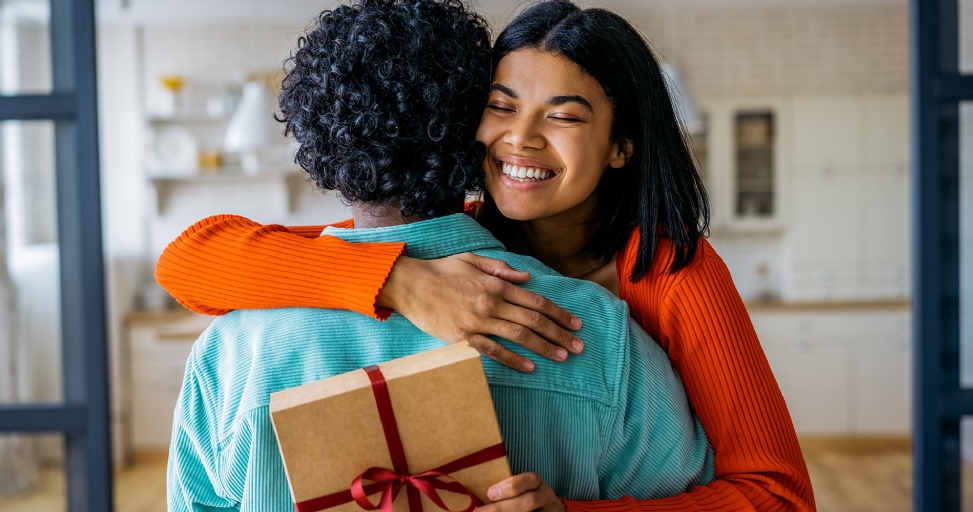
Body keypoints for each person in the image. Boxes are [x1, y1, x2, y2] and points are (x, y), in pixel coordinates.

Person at [158, 1, 815, 511]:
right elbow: (189, 261)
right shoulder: (600, 337)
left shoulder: (675, 275)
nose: (519, 140)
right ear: (465, 124)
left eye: (563, 116)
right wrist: (399, 281)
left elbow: (776, 496)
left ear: (623, 145)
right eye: (501, 107)